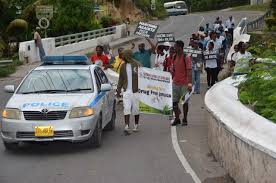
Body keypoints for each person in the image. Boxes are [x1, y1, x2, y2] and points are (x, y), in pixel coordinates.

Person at [117, 49, 141, 134]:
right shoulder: (123, 66)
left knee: (136, 109)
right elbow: (121, 79)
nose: (122, 57)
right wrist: (118, 90)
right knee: (126, 108)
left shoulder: (137, 64)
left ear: (127, 55)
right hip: (126, 91)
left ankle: (136, 125)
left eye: (123, 55)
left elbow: (143, 76)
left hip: (136, 91)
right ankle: (126, 126)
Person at [171, 40, 192, 126]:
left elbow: (189, 71)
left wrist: (190, 83)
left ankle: (185, 119)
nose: (174, 48)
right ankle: (177, 118)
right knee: (173, 103)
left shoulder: (186, 57)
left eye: (175, 46)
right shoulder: (174, 56)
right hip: (175, 83)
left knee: (185, 102)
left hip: (184, 84)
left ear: (180, 47)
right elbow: (174, 69)